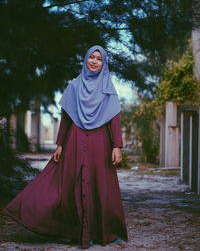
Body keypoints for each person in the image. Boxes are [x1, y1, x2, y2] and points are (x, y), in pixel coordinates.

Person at [3, 45, 128, 249]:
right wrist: (60, 144)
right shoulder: (74, 86)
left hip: (100, 143)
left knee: (100, 186)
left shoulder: (108, 88)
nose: (94, 61)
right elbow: (66, 118)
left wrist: (117, 146)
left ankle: (104, 231)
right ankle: (73, 231)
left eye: (99, 59)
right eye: (91, 57)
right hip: (74, 139)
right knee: (68, 184)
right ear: (85, 59)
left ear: (104, 64)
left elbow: (114, 119)